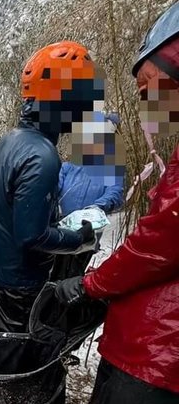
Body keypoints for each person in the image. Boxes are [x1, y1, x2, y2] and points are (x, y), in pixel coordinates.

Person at [54, 1, 179, 404]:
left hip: (157, 362)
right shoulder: (71, 163)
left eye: (150, 84)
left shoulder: (112, 167)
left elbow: (160, 239)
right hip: (142, 351)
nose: (146, 99)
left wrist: (91, 283)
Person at [0, 41, 100, 337]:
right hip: (21, 287)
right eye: (84, 95)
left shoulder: (8, 142)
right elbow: (31, 236)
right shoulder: (42, 156)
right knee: (28, 364)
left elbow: (13, 215)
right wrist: (79, 239)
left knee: (4, 351)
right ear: (63, 99)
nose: (89, 106)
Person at [50, 111, 124, 281]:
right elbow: (54, 186)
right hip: (60, 229)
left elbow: (115, 193)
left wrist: (96, 208)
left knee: (72, 277)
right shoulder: (69, 166)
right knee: (53, 274)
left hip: (87, 234)